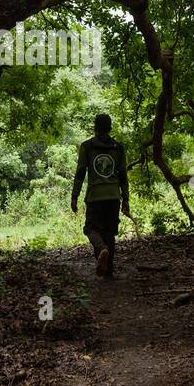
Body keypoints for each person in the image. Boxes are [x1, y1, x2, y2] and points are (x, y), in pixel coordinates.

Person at [70, 113, 130, 277]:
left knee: (91, 228)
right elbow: (123, 176)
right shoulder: (118, 148)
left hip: (95, 196)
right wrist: (126, 199)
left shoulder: (87, 146)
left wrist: (74, 196)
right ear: (110, 128)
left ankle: (101, 249)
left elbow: (80, 173)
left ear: (95, 127)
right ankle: (108, 271)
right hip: (113, 196)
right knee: (109, 232)